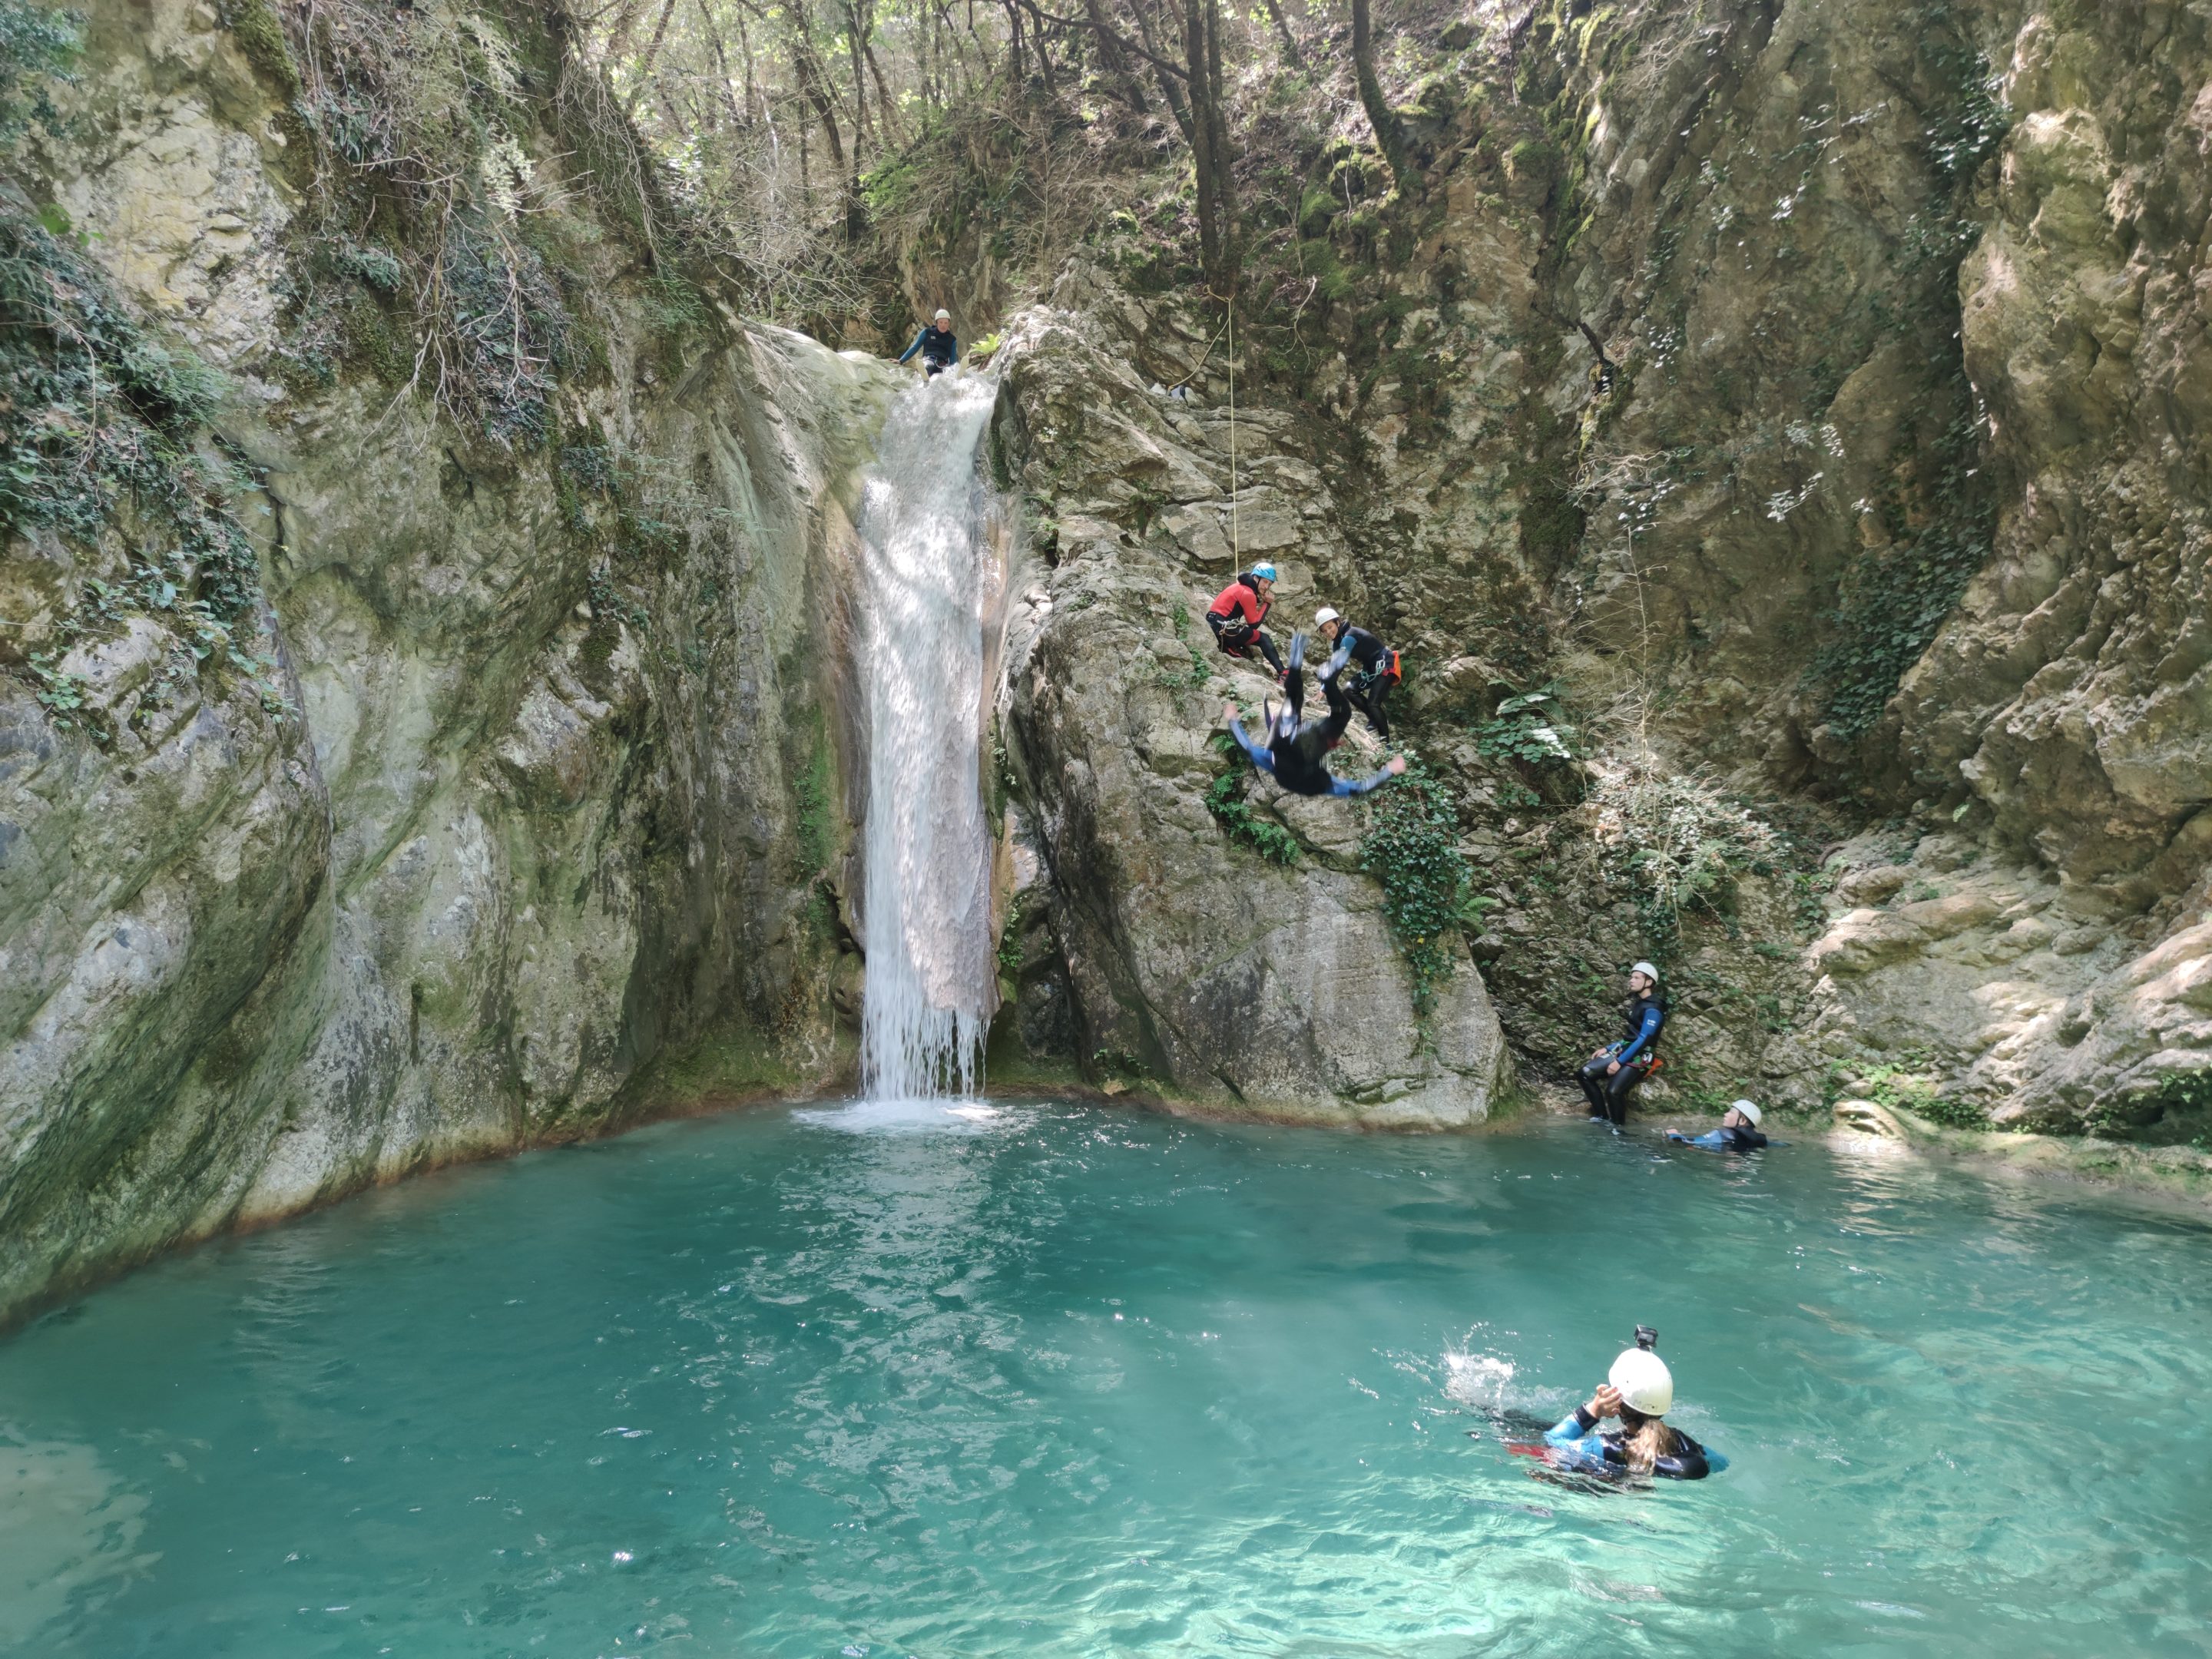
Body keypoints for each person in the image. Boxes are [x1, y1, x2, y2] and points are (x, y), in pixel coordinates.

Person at [1222, 631, 1407, 799]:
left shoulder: (1313, 780)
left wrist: (1390, 770)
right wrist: (1233, 720)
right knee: (1296, 703)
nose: (1306, 725)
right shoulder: (1291, 769)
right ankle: (1302, 666)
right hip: (1288, 744)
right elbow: (1246, 747)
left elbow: (1359, 789)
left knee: (1339, 714)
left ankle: (1321, 677)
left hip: (1293, 744)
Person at [1542, 1331, 1717, 1482]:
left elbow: (1553, 1442)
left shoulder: (1602, 1447)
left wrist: (1593, 1410)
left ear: (1619, 1402)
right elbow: (1721, 1462)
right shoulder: (1686, 1445)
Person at [1578, 961, 1665, 1125]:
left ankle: (1618, 1129)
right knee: (1585, 1073)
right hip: (1626, 1049)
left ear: (1649, 982)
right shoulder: (1639, 1004)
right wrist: (1608, 1048)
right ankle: (1601, 1117)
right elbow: (1630, 1037)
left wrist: (1619, 1062)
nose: (1631, 980)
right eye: (1631, 977)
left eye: (1637, 978)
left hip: (1642, 1056)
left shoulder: (1654, 1008)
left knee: (1613, 1091)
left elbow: (1644, 1039)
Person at [1313, 606, 1400, 738]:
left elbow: (1338, 665)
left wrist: (1324, 689)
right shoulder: (1337, 643)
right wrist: (1324, 688)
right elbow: (1336, 666)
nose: (1328, 632)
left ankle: (1385, 742)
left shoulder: (1349, 636)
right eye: (1324, 631)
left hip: (1386, 663)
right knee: (1349, 690)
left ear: (1337, 622)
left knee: (1373, 703)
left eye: (1330, 627)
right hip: (1370, 668)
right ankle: (1374, 719)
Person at [1207, 564, 1284, 676]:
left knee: (1247, 636)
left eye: (1270, 584)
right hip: (1221, 627)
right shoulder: (1248, 593)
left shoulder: (1239, 587)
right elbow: (1254, 624)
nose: (1267, 587)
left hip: (1216, 623)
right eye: (1265, 582)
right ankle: (1283, 672)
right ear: (1256, 578)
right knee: (1264, 638)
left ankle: (1229, 646)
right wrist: (1267, 603)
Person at [1668, 1099, 1769, 1151]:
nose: (1726, 1114)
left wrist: (1674, 1134)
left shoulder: (1724, 1134)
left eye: (1731, 1112)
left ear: (1742, 1120)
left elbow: (1687, 1142)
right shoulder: (1758, 1139)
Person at [898, 310, 959, 376]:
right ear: (937, 322)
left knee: (947, 371)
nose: (943, 325)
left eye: (945, 323)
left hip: (942, 365)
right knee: (928, 365)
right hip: (929, 360)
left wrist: (953, 368)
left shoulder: (952, 339)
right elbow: (915, 347)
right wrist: (901, 361)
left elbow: (953, 360)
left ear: (949, 324)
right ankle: (924, 372)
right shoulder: (927, 332)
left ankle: (956, 375)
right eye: (941, 322)